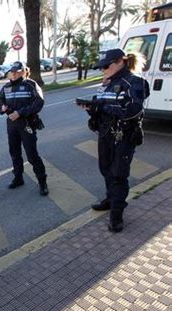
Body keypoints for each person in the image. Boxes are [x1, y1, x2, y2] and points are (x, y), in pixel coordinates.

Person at [78, 48, 150, 232]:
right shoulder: (106, 83)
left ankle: (117, 214)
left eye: (106, 66)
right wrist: (90, 107)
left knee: (118, 174)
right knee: (106, 169)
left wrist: (103, 107)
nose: (103, 70)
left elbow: (131, 110)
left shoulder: (135, 82)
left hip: (123, 135)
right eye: (101, 67)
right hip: (105, 134)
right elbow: (101, 105)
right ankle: (110, 200)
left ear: (121, 62)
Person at [0, 61, 49, 196]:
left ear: (24, 71)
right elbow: (0, 101)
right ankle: (18, 178)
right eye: (12, 72)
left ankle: (42, 182)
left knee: (32, 155)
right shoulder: (6, 87)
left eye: (17, 71)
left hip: (26, 124)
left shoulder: (30, 84)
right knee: (14, 153)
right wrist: (2, 108)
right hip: (12, 125)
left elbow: (39, 102)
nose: (13, 74)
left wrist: (19, 113)